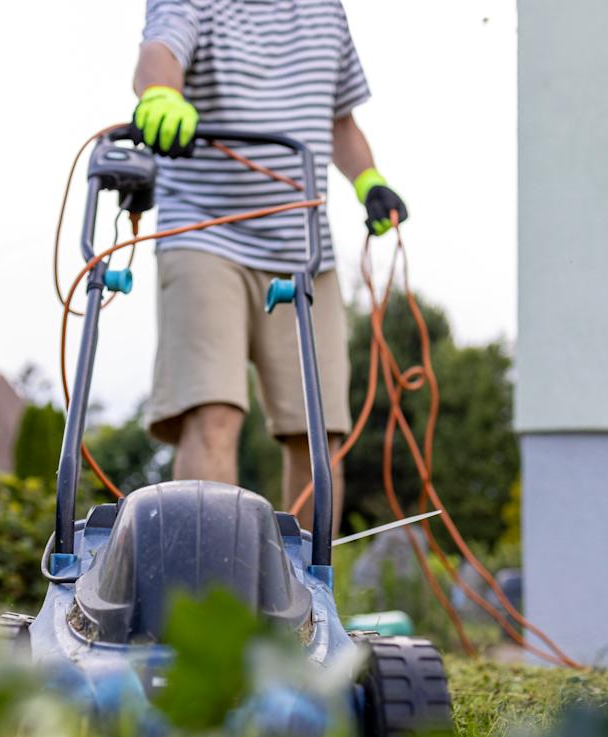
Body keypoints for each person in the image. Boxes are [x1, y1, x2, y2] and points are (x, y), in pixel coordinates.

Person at [131, 0, 406, 529]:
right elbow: (159, 51)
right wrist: (161, 93)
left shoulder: (325, 10)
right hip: (204, 233)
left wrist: (369, 180)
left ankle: (303, 601)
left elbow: (339, 120)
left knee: (318, 430)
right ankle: (206, 597)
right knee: (213, 413)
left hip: (304, 250)